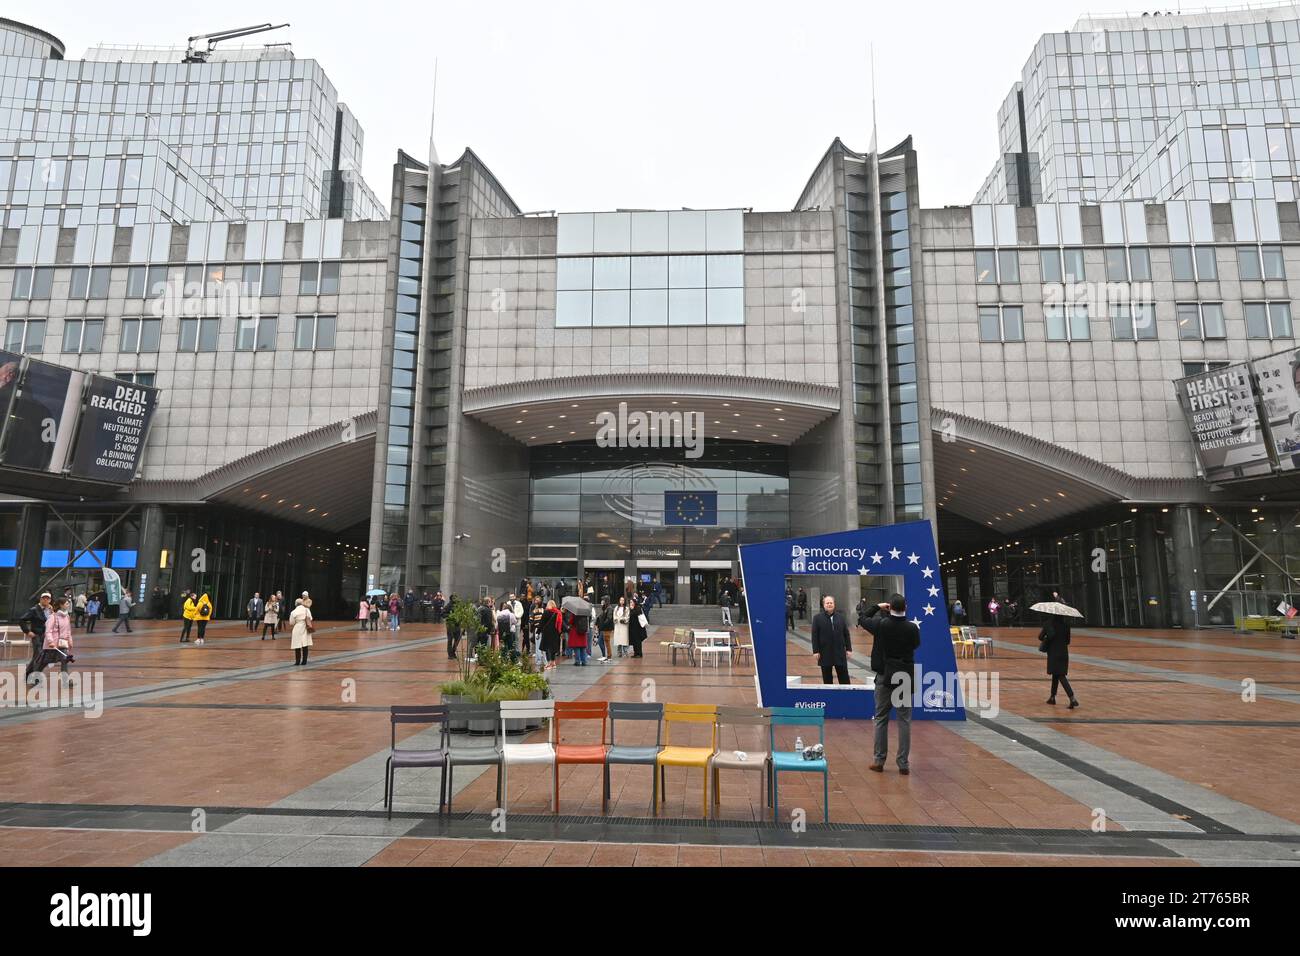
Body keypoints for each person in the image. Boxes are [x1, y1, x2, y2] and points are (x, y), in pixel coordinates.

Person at [861, 593, 921, 775]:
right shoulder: (912, 628)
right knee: (904, 719)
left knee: (881, 718)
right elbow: (916, 645)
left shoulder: (881, 625)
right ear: (905, 608)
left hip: (884, 674)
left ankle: (879, 760)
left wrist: (878, 607)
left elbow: (863, 618)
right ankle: (903, 763)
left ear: (890, 607)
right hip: (904, 674)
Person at [27, 597, 73, 685]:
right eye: (66, 603)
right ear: (61, 605)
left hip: (62, 644)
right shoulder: (53, 617)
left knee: (64, 660)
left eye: (68, 603)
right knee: (43, 662)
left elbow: (68, 630)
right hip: (52, 645)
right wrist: (50, 641)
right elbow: (48, 631)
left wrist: (70, 640)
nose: (68, 605)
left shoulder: (67, 617)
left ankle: (66, 681)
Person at [1039, 612, 1079, 709]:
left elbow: (1040, 637)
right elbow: (1068, 641)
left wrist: (1048, 637)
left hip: (1053, 653)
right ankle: (1052, 697)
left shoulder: (1048, 624)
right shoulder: (1066, 625)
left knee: (1060, 675)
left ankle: (1072, 698)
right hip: (1064, 653)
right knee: (1056, 674)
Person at [810, 594, 852, 684]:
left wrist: (849, 649)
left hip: (839, 652)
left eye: (831, 603)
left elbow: (846, 634)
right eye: (827, 603)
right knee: (827, 679)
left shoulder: (840, 617)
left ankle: (846, 696)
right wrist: (815, 651)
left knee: (844, 679)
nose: (829, 604)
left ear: (834, 604)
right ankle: (829, 697)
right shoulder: (817, 618)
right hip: (824, 652)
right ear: (824, 605)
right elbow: (814, 636)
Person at [18, 592, 53, 678]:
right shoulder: (34, 610)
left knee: (39, 656)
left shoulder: (50, 610)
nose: (45, 600)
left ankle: (28, 674)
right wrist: (27, 631)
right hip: (37, 635)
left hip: (46, 637)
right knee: (39, 655)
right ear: (40, 599)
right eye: (44, 598)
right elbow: (22, 620)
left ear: (50, 600)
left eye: (47, 599)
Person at [290, 596, 314, 666]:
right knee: (305, 645)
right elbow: (311, 618)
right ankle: (304, 661)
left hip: (297, 628)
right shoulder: (307, 610)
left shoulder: (293, 612)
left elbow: (291, 623)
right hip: (305, 627)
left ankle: (297, 661)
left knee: (297, 645)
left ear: (296, 604)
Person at [539, 599, 563, 668]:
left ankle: (549, 663)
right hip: (555, 633)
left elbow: (542, 623)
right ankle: (553, 662)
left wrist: (538, 631)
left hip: (547, 633)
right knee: (553, 648)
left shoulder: (546, 612)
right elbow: (560, 623)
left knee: (547, 648)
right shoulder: (558, 612)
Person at [596, 598, 613, 663]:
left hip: (607, 628)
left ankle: (609, 656)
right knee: (602, 641)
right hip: (603, 628)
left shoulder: (609, 608)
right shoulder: (605, 608)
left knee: (606, 642)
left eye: (603, 601)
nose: (602, 602)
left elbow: (609, 618)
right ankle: (605, 656)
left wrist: (603, 624)